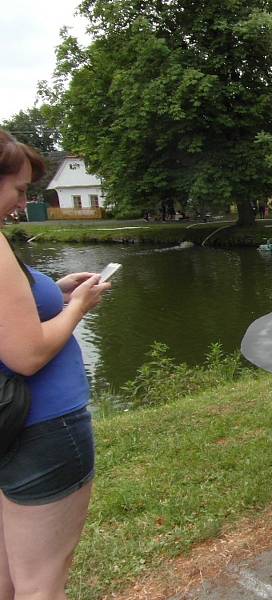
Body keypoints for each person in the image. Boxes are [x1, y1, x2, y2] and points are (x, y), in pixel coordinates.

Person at [0, 130, 112, 599]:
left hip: (8, 432)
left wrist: (56, 293)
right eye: (20, 190)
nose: (24, 203)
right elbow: (26, 355)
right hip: (42, 430)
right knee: (41, 585)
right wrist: (78, 307)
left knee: (8, 575)